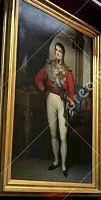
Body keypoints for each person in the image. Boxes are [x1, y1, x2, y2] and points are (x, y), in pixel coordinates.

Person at [34, 41, 77, 178]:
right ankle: (56, 160)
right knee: (53, 134)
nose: (58, 52)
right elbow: (38, 79)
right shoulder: (48, 67)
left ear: (63, 53)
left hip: (62, 102)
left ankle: (64, 164)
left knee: (63, 136)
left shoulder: (68, 71)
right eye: (56, 50)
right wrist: (42, 87)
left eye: (60, 51)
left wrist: (70, 103)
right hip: (50, 100)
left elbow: (72, 91)